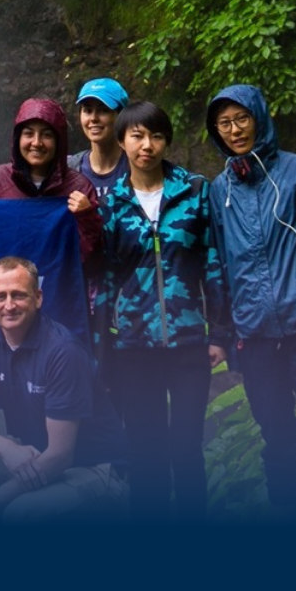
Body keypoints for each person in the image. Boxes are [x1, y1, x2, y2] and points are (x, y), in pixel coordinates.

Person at [207, 83, 296, 520]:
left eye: (242, 119)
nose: (235, 130)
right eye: (224, 123)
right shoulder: (219, 190)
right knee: (277, 441)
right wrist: (225, 331)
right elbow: (219, 262)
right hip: (255, 337)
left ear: (259, 118)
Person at [96, 101, 228, 521]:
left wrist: (219, 332)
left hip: (189, 342)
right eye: (136, 136)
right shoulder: (112, 204)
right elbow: (106, 278)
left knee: (187, 447)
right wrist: (103, 346)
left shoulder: (194, 191)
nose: (146, 146)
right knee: (145, 448)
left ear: (166, 141)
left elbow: (213, 263)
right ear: (121, 142)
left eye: (155, 136)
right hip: (133, 346)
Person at [0, 257, 129, 522]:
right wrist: (5, 448)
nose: (9, 305)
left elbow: (60, 456)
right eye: (0, 296)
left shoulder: (63, 351)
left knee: (17, 511)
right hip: (33, 457)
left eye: (19, 295)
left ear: (38, 298)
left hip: (95, 470)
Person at [0, 97, 105, 280]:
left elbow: (94, 263)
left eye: (46, 135)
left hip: (59, 290)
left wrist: (87, 218)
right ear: (17, 138)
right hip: (8, 290)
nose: (36, 143)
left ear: (59, 141)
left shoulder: (79, 187)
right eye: (29, 134)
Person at [68, 77, 131, 205]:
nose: (93, 118)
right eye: (88, 110)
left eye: (103, 110)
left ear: (121, 116)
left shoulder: (137, 167)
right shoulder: (70, 169)